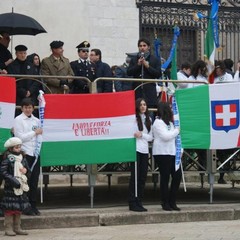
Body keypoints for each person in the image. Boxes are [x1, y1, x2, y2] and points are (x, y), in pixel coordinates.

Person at [13, 98, 42, 216]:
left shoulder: (37, 120)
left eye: (30, 107)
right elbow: (20, 137)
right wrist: (34, 133)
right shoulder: (18, 120)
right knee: (25, 180)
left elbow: (40, 136)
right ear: (22, 108)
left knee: (34, 180)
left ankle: (33, 204)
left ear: (33, 108)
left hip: (35, 154)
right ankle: (24, 206)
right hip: (24, 154)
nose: (28, 110)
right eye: (26, 107)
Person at [153, 102, 181, 211]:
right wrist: (176, 131)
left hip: (172, 152)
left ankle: (172, 201)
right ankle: (165, 202)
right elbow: (165, 136)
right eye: (169, 108)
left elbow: (175, 138)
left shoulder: (170, 123)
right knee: (165, 178)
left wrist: (180, 150)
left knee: (177, 176)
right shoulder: (158, 122)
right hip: (162, 153)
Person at [0, 137, 30, 236]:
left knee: (18, 207)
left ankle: (17, 227)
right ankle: (8, 228)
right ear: (10, 148)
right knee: (10, 208)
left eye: (20, 147)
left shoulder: (23, 158)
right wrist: (14, 180)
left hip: (21, 186)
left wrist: (25, 171)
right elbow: (3, 172)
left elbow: (27, 170)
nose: (19, 149)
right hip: (11, 187)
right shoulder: (7, 159)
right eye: (17, 147)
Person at [128, 98, 153, 212]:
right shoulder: (134, 119)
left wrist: (142, 134)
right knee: (135, 177)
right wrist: (142, 135)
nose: (143, 106)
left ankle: (139, 201)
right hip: (136, 150)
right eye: (141, 105)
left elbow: (150, 137)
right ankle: (132, 201)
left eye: (144, 104)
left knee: (142, 177)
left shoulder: (149, 119)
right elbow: (134, 134)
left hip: (144, 150)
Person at [127, 38, 161, 109]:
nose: (142, 48)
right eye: (140, 46)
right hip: (137, 90)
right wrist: (138, 65)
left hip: (149, 91)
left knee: (150, 113)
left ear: (148, 47)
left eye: (144, 46)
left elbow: (158, 74)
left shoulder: (155, 59)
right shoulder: (134, 59)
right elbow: (129, 72)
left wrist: (148, 66)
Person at [7, 45, 41, 116]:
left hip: (31, 96)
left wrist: (30, 91)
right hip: (18, 96)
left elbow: (37, 80)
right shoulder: (11, 66)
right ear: (16, 54)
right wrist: (22, 92)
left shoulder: (31, 65)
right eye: (20, 53)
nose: (23, 55)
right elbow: (11, 81)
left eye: (24, 53)